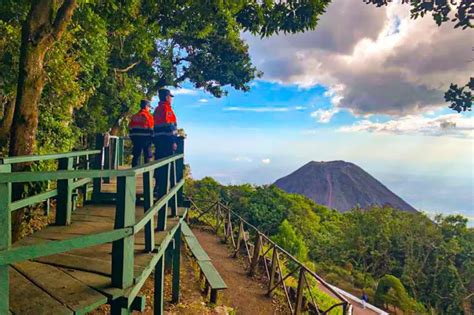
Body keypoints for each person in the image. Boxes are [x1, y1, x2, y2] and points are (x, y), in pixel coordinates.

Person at [153, 88, 178, 160]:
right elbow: (170, 127)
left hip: (158, 140)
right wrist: (173, 141)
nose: (171, 99)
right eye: (170, 97)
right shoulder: (167, 109)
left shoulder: (157, 109)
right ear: (167, 97)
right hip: (167, 142)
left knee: (158, 163)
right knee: (166, 163)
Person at [128, 99, 154, 167]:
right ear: (146, 106)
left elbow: (130, 128)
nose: (149, 108)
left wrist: (133, 138)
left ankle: (133, 173)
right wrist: (152, 139)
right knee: (147, 156)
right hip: (146, 140)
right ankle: (146, 175)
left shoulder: (135, 116)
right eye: (149, 107)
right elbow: (151, 129)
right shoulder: (149, 116)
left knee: (136, 156)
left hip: (136, 139)